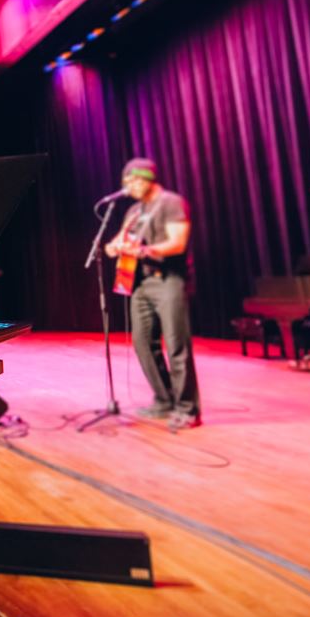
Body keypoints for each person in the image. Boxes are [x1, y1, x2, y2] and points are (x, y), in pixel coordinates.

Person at [104, 157, 201, 430]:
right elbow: (121, 239)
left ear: (148, 178)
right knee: (142, 342)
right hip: (140, 283)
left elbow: (178, 243)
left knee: (176, 343)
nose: (129, 186)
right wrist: (114, 247)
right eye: (126, 182)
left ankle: (188, 408)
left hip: (168, 279)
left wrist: (146, 251)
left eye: (133, 180)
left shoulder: (170, 202)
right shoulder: (134, 210)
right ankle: (165, 399)